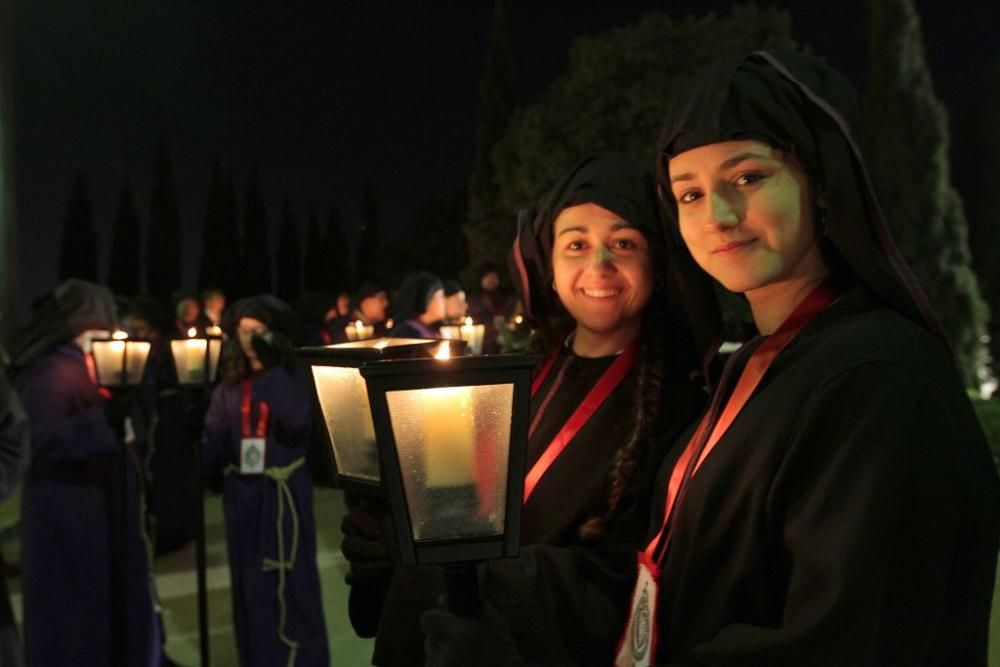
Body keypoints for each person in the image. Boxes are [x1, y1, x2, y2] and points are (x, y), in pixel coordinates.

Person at [423, 51, 1000, 666]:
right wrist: (477, 589)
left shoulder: (877, 381)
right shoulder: (760, 362)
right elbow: (682, 581)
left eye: (748, 177)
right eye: (689, 193)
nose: (718, 216)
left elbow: (837, 642)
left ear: (822, 182)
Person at [345, 153, 717, 666]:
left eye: (624, 242)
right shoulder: (518, 377)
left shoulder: (680, 407)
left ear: (657, 263)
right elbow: (458, 500)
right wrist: (395, 540)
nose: (599, 265)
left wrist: (471, 575)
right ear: (549, 267)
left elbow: (637, 581)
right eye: (576, 244)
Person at [12, 279, 161, 666]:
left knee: (106, 610)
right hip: (69, 517)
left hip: (99, 511)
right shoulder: (52, 372)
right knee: (75, 619)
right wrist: (102, 421)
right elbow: (40, 440)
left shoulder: (90, 364)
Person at [202, 294, 329, 666]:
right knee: (252, 584)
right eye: (243, 331)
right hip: (243, 495)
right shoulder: (229, 385)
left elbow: (297, 421)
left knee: (294, 581)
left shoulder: (288, 377)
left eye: (259, 331)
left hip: (284, 492)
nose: (250, 339)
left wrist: (272, 371)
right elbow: (213, 440)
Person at [467, 262, 512, 354]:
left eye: (494, 276)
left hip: (505, 342)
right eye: (487, 276)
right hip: (483, 343)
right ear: (481, 279)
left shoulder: (505, 296)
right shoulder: (474, 300)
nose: (491, 280)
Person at [388, 272, 447, 339]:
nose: (445, 301)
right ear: (427, 299)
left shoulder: (427, 329)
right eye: (441, 296)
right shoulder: (408, 332)